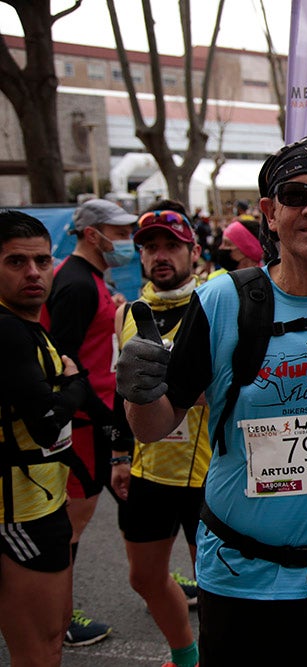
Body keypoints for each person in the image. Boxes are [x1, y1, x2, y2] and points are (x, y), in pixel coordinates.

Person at [116, 136, 307, 665]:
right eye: (295, 195)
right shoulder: (222, 300)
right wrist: (139, 390)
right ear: (270, 213)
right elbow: (153, 426)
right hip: (239, 577)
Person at [109, 203, 206, 667]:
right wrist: (118, 455)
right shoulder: (127, 312)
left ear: (194, 252)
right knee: (144, 578)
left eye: (172, 245)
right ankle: (184, 655)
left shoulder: (215, 302)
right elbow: (121, 390)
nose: (160, 255)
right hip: (150, 469)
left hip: (208, 472)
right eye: (150, 247)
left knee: (217, 583)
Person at [42, 197, 137, 646]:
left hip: (95, 415)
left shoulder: (91, 279)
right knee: (73, 524)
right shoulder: (77, 283)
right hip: (84, 422)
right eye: (119, 233)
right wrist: (102, 417)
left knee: (124, 506)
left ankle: (153, 579)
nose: (127, 241)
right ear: (91, 234)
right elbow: (63, 357)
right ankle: (59, 619)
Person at [0, 211, 92, 667]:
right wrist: (75, 383)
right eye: (16, 262)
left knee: (50, 641)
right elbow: (47, 422)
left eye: (41, 260)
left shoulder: (27, 326)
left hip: (40, 502)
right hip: (20, 514)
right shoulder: (7, 330)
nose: (33, 272)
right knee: (39, 651)